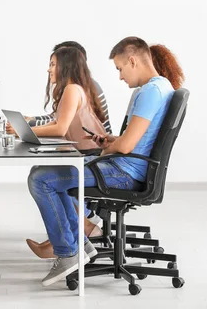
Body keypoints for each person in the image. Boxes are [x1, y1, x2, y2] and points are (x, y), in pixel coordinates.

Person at [27, 36, 179, 287]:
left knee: (41, 178)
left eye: (120, 68)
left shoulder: (151, 91)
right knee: (51, 174)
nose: (120, 76)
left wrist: (110, 147)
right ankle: (80, 245)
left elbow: (128, 146)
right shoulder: (161, 87)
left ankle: (67, 252)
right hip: (130, 167)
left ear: (132, 60)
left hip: (124, 172)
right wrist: (110, 140)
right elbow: (135, 141)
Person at [5, 46, 108, 258]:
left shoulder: (72, 89)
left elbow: (60, 128)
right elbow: (56, 122)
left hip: (91, 159)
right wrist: (25, 129)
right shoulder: (74, 89)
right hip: (89, 156)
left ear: (65, 66)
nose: (49, 70)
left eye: (52, 64)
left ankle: (67, 247)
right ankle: (79, 240)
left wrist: (23, 132)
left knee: (42, 179)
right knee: (43, 170)